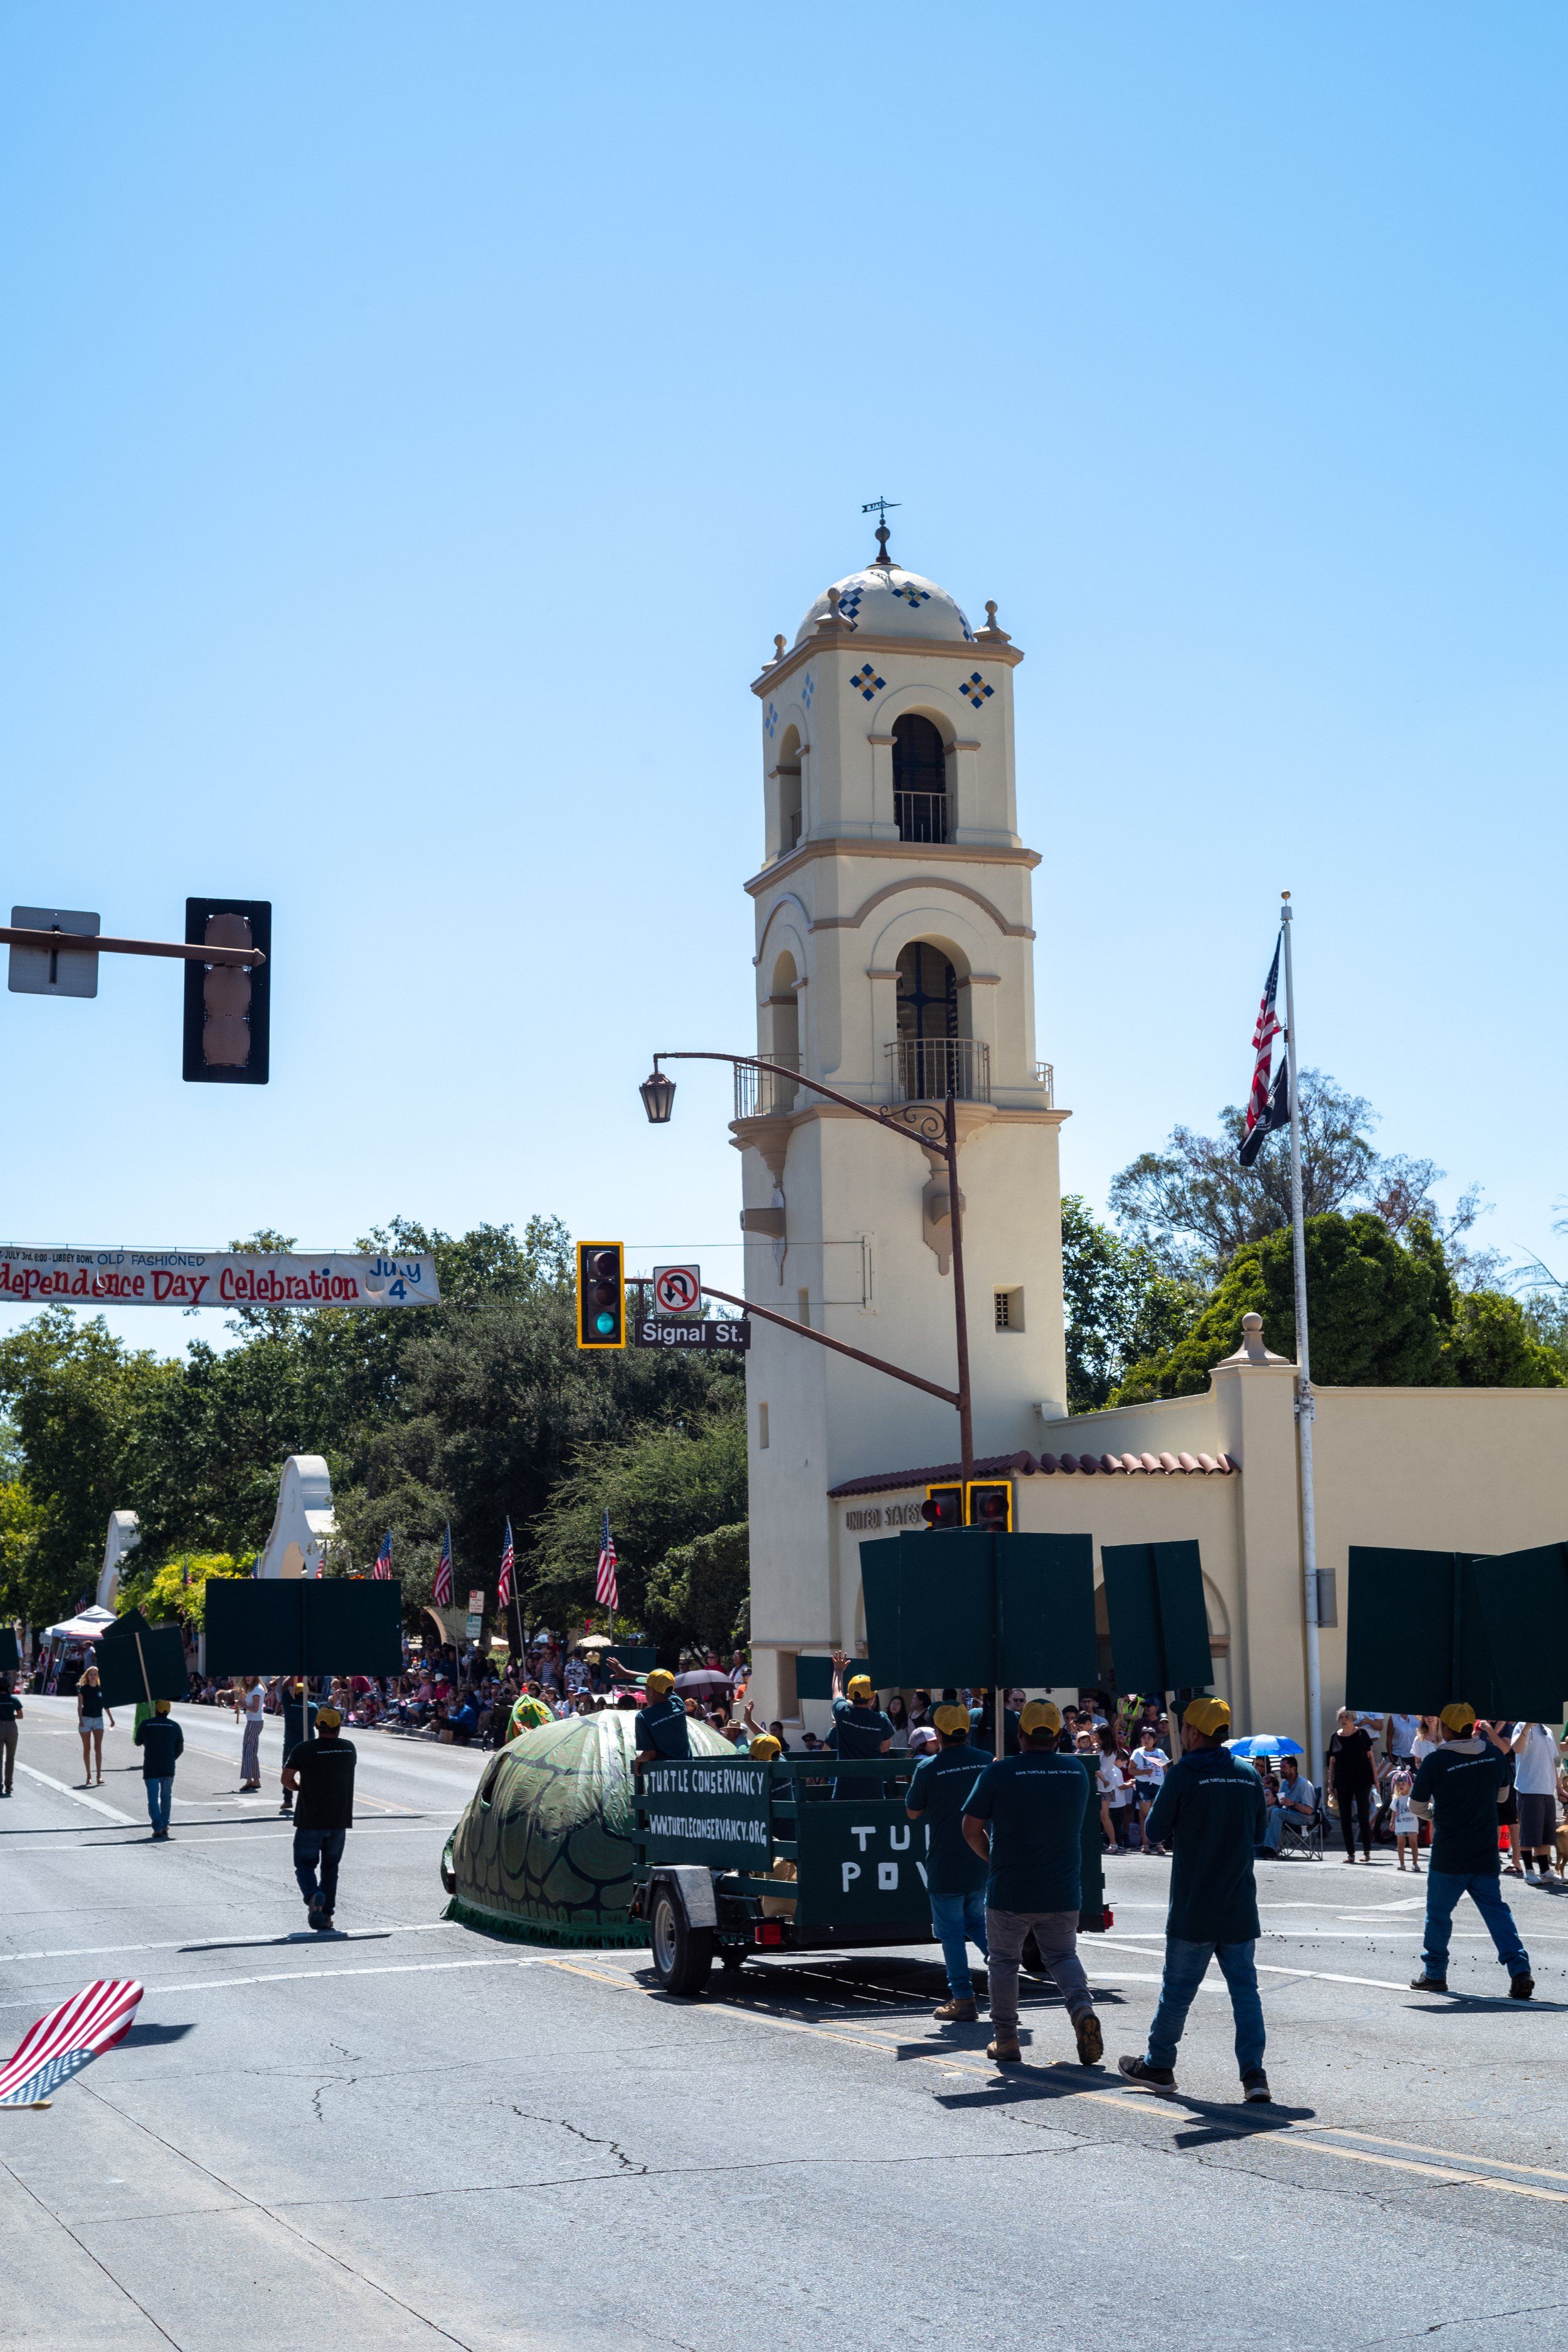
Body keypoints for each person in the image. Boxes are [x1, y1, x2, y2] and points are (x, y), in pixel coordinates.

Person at [1118, 1697, 1272, 2104]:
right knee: (1245, 1994)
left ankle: (1159, 2064)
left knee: (1178, 1992)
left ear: (1192, 1732)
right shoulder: (1247, 1774)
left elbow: (1153, 1831)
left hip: (1194, 1908)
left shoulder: (1184, 1773)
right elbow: (1259, 1835)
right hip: (1238, 1906)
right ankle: (1255, 2076)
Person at [961, 1698, 1101, 2069]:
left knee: (1004, 1962)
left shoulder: (999, 1773)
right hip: (1062, 1887)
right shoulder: (1076, 1772)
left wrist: (993, 1859)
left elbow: (971, 1829)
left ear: (1020, 1735)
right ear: (1058, 1735)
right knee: (1062, 1956)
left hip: (1011, 1888)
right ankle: (1082, 2008)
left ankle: (1007, 2040)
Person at [1409, 1705, 1532, 1996]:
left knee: (1439, 1915)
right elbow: (1502, 1796)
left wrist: (1435, 1814)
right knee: (1496, 1912)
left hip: (1449, 1853)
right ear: (1472, 1726)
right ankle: (1520, 1970)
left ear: (1447, 1729)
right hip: (1484, 1850)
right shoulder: (1494, 1756)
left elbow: (1416, 1807)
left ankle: (1435, 1973)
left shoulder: (1436, 1761)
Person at [906, 1703, 990, 2023]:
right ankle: (1004, 1969)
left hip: (946, 1860)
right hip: (982, 1855)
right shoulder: (986, 1761)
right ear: (966, 1731)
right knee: (975, 1921)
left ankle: (963, 1998)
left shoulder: (928, 1767)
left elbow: (913, 1811)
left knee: (952, 1932)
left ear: (938, 1733)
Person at [282, 1703, 356, 1931]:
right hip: (338, 1820)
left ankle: (313, 1895)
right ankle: (326, 1915)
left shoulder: (303, 1749)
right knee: (330, 1868)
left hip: (310, 1819)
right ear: (339, 1727)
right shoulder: (348, 1748)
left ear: (316, 1726)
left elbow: (286, 1779)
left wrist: (298, 1788)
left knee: (304, 1864)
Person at [829, 1651, 893, 1797]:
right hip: (873, 1787)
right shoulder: (882, 1720)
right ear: (873, 1698)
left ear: (850, 1697)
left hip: (845, 1787)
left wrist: (838, 1670)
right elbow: (884, 1748)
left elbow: (837, 1692)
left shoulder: (842, 1712)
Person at [1510, 1721, 1560, 1882]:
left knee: (1546, 1835)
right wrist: (1526, 1728)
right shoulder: (1521, 1726)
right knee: (1529, 1833)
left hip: (1547, 1789)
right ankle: (1529, 1871)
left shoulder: (1548, 1730)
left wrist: (1559, 1788)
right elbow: (1517, 1749)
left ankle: (1545, 1870)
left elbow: (1552, 1761)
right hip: (1528, 1788)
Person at [1327, 1707, 1375, 1863]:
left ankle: (1366, 1851)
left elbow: (1371, 1757)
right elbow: (1332, 1761)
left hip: (1362, 1780)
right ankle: (1350, 1854)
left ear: (1353, 1718)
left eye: (1346, 1717)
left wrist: (1376, 1780)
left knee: (1362, 1815)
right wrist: (1330, 1782)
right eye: (1341, 1717)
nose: (1344, 1720)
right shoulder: (1335, 1736)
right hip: (1342, 1781)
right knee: (1345, 1818)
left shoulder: (1362, 1734)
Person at [133, 1697, 184, 1839]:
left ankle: (157, 1826)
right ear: (168, 1711)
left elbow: (137, 1742)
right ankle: (165, 1824)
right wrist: (171, 1758)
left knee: (153, 1798)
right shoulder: (175, 1726)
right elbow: (180, 1748)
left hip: (151, 1767)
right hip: (168, 1767)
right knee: (166, 1796)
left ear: (155, 1709)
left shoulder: (146, 1724)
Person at [633, 1668, 691, 1766]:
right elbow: (664, 1683)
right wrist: (629, 1674)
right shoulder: (678, 1703)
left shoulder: (643, 1717)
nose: (645, 1693)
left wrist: (638, 1759)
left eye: (646, 1689)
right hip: (689, 1771)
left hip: (665, 1775)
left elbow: (649, 1754)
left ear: (651, 1691)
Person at [1261, 1754, 1315, 1854]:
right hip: (1289, 1814)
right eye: (1280, 1767)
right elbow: (1279, 1804)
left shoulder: (1304, 1785)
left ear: (1293, 1769)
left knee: (1277, 1812)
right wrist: (1264, 1784)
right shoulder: (1285, 1784)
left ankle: (1271, 1848)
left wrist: (1293, 1803)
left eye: (1283, 1767)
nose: (1281, 1770)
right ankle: (1262, 1844)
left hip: (1304, 1819)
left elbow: (1309, 1811)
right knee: (1268, 1811)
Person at [1131, 1727, 1168, 1853]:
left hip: (1158, 1785)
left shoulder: (1160, 1753)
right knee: (1147, 1814)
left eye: (1149, 1738)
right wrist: (1143, 1772)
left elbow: (1166, 1769)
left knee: (1155, 1813)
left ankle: (1156, 1843)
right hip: (1144, 1785)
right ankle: (1149, 1843)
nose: (1146, 1740)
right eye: (1144, 1737)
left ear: (1154, 1740)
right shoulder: (1137, 1753)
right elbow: (1131, 1770)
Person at [77, 1664, 113, 1786]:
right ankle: (89, 1775)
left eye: (95, 1674)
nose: (93, 1676)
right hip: (86, 1720)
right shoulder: (83, 1689)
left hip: (98, 1720)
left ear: (97, 1676)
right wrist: (81, 1720)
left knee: (98, 1748)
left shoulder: (101, 1689)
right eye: (91, 1674)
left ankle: (99, 1775)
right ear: (88, 1676)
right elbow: (80, 1706)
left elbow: (106, 1705)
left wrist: (111, 1719)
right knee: (87, 1748)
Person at [235, 1674, 265, 1791]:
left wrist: (243, 1705)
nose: (247, 1678)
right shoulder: (255, 1689)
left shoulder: (257, 1689)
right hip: (254, 1721)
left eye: (250, 1676)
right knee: (252, 1751)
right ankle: (256, 1780)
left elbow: (255, 1709)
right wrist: (244, 1698)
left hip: (254, 1722)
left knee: (248, 1750)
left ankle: (249, 1779)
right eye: (246, 1676)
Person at [1391, 1764, 1421, 1872]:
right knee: (1400, 1844)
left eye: (1403, 1784)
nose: (1401, 1786)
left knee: (1413, 1843)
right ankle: (1402, 1863)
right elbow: (1394, 1811)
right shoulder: (1397, 1798)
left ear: (1409, 1785)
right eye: (1399, 1784)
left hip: (1412, 1823)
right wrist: (1392, 1822)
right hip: (1400, 1824)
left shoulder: (1413, 1797)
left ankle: (1415, 1863)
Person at [0, 1673, 21, 1796]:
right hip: (11, 1727)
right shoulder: (14, 1699)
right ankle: (9, 1785)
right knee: (10, 1757)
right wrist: (10, 1715)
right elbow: (20, 1716)